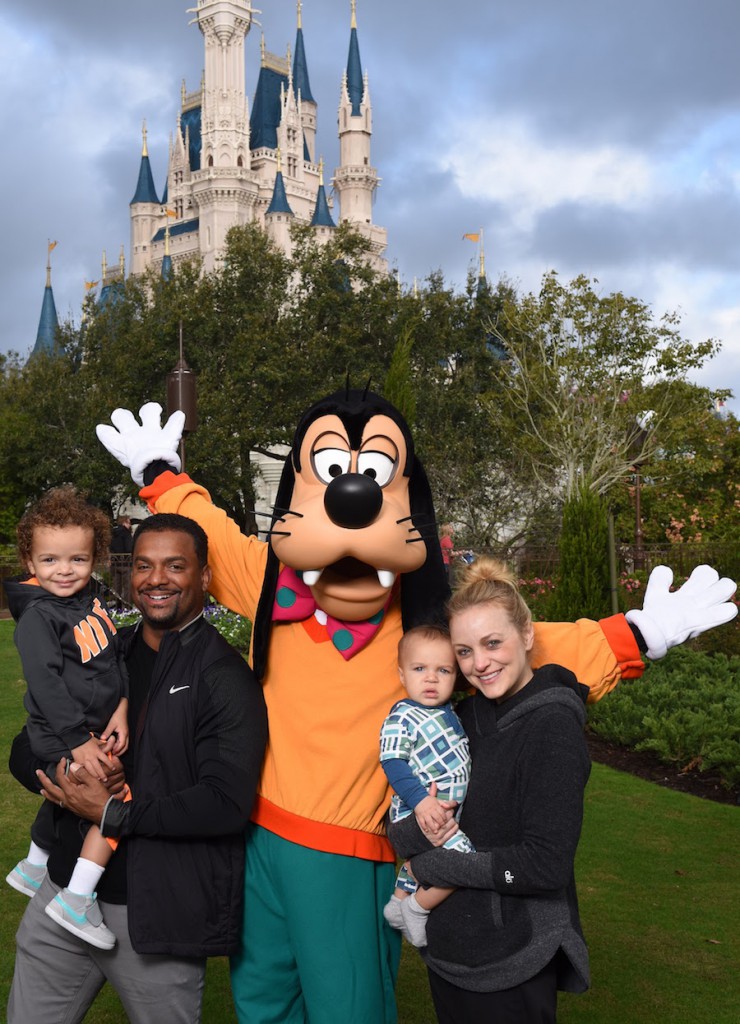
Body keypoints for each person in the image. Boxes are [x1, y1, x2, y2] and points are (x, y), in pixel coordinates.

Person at [7, 513, 268, 1024]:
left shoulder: (224, 677)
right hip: (61, 895)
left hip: (154, 917)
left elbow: (225, 804)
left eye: (176, 565)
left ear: (205, 577)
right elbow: (24, 747)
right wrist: (63, 781)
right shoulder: (109, 650)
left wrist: (112, 814)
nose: (157, 579)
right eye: (145, 566)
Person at [389, 557, 592, 1024]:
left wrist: (435, 862)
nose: (479, 664)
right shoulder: (457, 720)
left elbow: (545, 865)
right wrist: (419, 829)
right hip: (450, 949)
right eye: (463, 652)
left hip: (515, 955)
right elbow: (398, 826)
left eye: (492, 643)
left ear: (526, 635)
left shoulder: (552, 728)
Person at [4, 486, 129, 950]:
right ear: (30, 561)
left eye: (76, 559)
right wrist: (78, 741)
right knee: (112, 796)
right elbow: (46, 685)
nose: (64, 570)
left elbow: (113, 659)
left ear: (93, 558)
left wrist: (121, 706)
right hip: (62, 733)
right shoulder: (39, 616)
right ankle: (77, 899)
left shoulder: (90, 602)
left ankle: (35, 865)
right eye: (51, 560)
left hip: (93, 726)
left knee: (70, 793)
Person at [380, 625, 475, 948]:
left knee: (427, 856)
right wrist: (421, 802)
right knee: (464, 860)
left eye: (443, 670)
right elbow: (393, 762)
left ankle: (397, 903)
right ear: (402, 675)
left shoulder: (447, 712)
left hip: (443, 810)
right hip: (418, 809)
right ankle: (417, 908)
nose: (431, 678)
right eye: (420, 669)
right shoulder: (403, 715)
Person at [109, 514, 134, 607]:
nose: (130, 525)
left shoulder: (112, 533)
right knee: (128, 587)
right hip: (126, 563)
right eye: (129, 523)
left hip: (114, 563)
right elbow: (129, 548)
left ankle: (114, 607)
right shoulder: (126, 533)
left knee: (116, 587)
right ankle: (127, 607)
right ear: (125, 522)